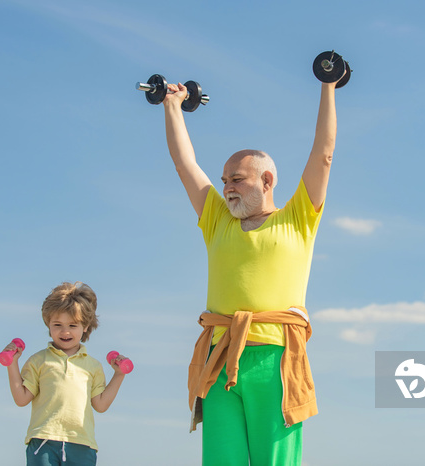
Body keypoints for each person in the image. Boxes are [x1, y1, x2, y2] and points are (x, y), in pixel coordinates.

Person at [160, 73, 343, 466]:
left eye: (237, 180)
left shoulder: (297, 219)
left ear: (267, 180)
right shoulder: (216, 220)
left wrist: (328, 86)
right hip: (220, 356)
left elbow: (323, 153)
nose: (227, 187)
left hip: (274, 359)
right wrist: (172, 106)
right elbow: (184, 163)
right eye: (225, 180)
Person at [2, 282, 129, 466]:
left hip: (82, 443)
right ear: (48, 324)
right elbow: (21, 399)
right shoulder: (39, 361)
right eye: (58, 324)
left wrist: (119, 375)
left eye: (73, 325)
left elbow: (100, 405)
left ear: (85, 326)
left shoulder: (93, 366)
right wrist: (12, 363)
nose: (65, 331)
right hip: (43, 440)